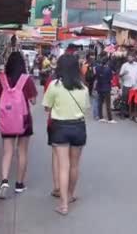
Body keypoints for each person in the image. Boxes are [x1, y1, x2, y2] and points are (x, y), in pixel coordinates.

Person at [42, 54, 90, 215]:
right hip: (78, 127)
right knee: (75, 165)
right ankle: (70, 195)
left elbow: (47, 108)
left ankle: (63, 205)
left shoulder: (54, 86)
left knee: (64, 166)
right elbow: (85, 109)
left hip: (60, 127)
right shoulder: (84, 88)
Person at [0, 52, 38, 199]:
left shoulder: (1, 79)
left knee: (7, 152)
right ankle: (19, 184)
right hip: (24, 121)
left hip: (7, 121)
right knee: (22, 152)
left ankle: (4, 181)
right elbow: (33, 101)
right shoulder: (26, 80)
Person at [119, 54, 137, 119]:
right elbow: (120, 75)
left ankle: (131, 114)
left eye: (131, 57)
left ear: (133, 58)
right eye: (128, 58)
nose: (129, 59)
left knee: (134, 100)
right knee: (124, 99)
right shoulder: (125, 65)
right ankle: (123, 114)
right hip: (126, 84)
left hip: (134, 85)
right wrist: (124, 73)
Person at [94, 56, 115, 123]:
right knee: (108, 104)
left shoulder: (97, 68)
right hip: (106, 87)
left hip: (99, 86)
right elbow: (110, 78)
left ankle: (101, 117)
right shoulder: (108, 69)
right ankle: (110, 119)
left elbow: (96, 76)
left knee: (100, 102)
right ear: (107, 62)